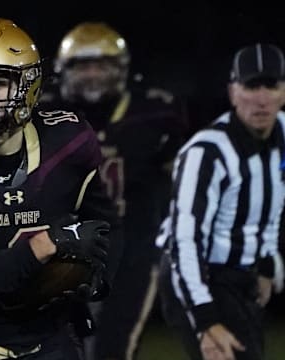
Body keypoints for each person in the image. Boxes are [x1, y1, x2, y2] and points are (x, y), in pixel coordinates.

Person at [0, 17, 121, 360]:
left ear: (28, 86)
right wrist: (47, 245)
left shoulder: (68, 143)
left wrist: (95, 278)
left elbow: (107, 228)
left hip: (51, 336)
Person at [39, 21, 189, 360]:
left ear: (120, 69)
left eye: (101, 64)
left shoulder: (153, 111)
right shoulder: (44, 113)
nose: (92, 74)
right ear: (64, 70)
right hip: (62, 247)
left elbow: (181, 180)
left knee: (113, 347)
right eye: (83, 65)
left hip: (132, 246)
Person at [156, 42, 285, 360]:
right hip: (197, 275)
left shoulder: (282, 132)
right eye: (251, 85)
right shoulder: (207, 153)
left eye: (271, 85)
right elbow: (185, 240)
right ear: (232, 92)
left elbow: (272, 207)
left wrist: (268, 261)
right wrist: (205, 319)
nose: (262, 97)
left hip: (244, 277)